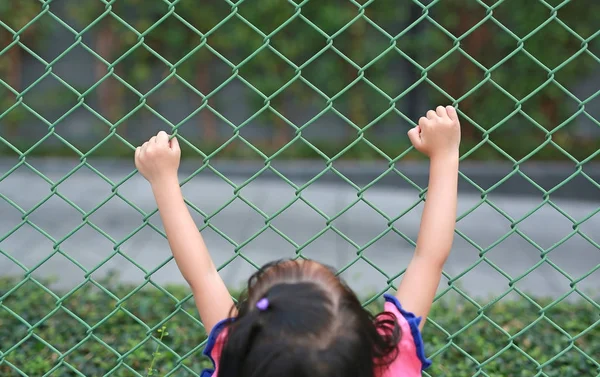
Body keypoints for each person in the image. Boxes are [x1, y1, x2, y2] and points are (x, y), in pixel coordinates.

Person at [134, 105, 461, 377]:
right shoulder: (390, 363)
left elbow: (202, 274)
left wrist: (163, 180)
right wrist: (445, 155)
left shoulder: (241, 357)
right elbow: (428, 259)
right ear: (370, 339)